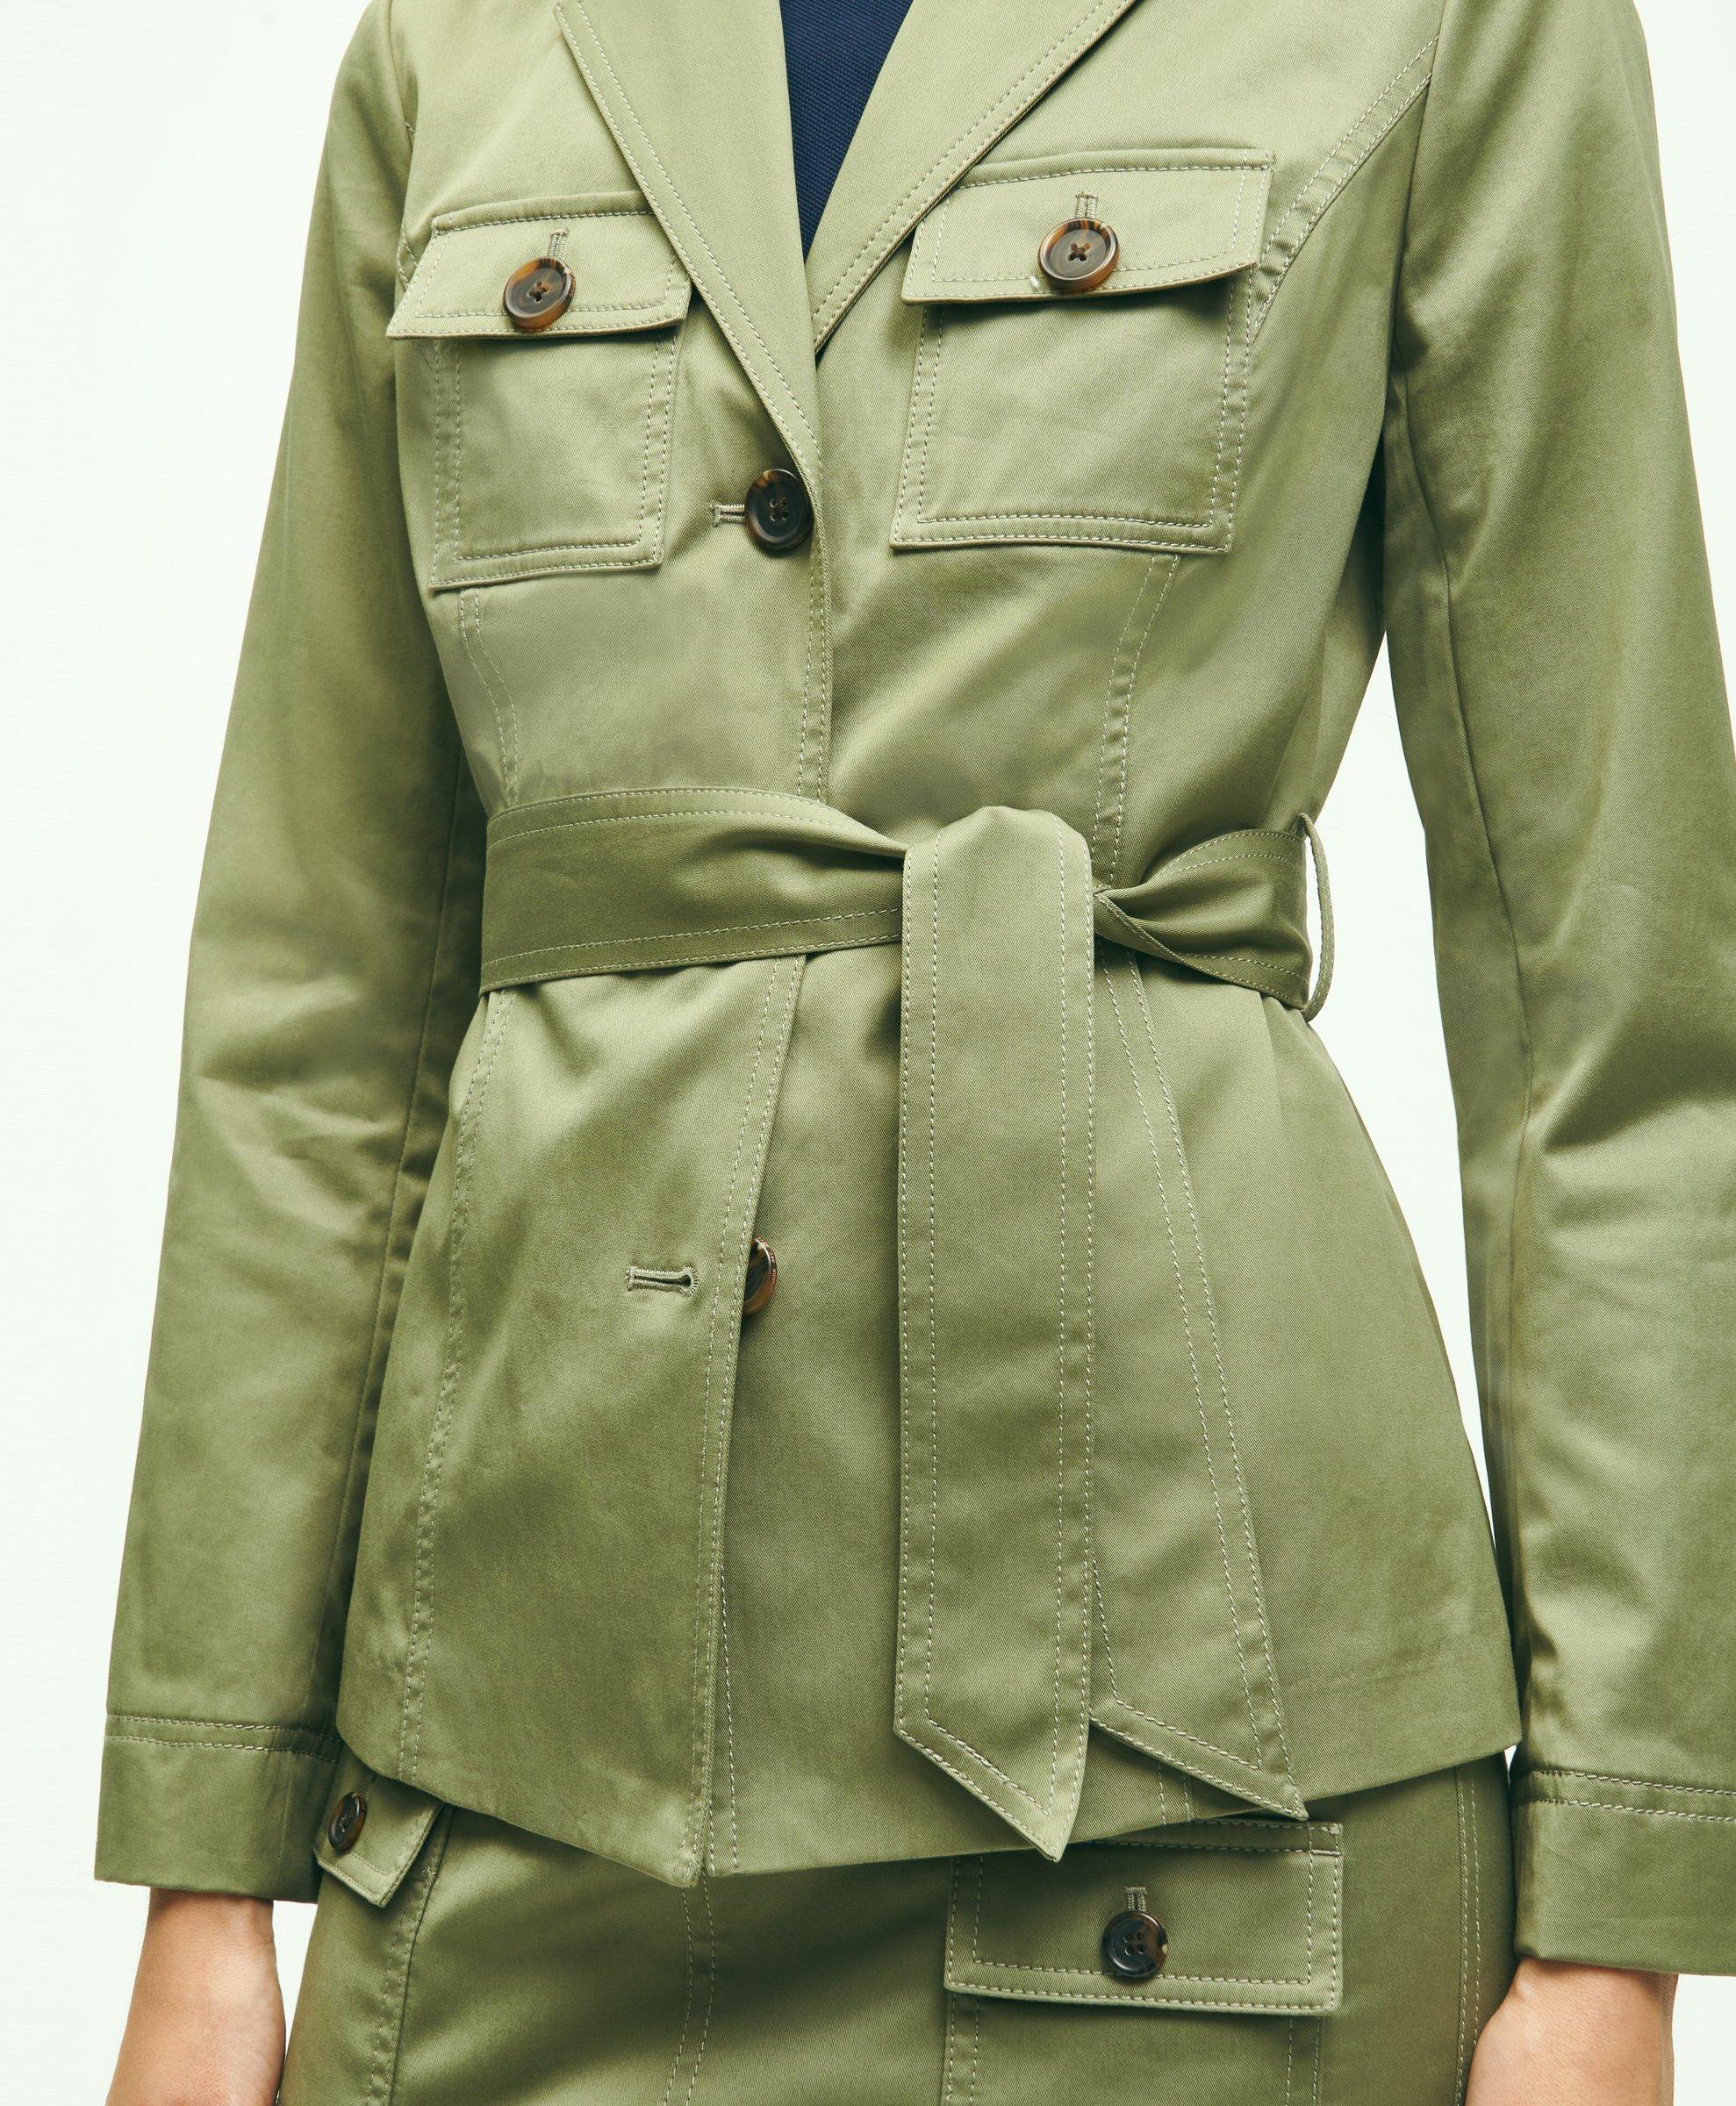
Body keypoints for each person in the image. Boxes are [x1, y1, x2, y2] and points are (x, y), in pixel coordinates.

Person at [103, 1, 1733, 2100]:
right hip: (514, 1780)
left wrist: (1616, 1924)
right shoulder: (461, 42)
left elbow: (1611, 1031)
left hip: (1201, 1784)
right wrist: (205, 1870)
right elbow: (319, 1012)